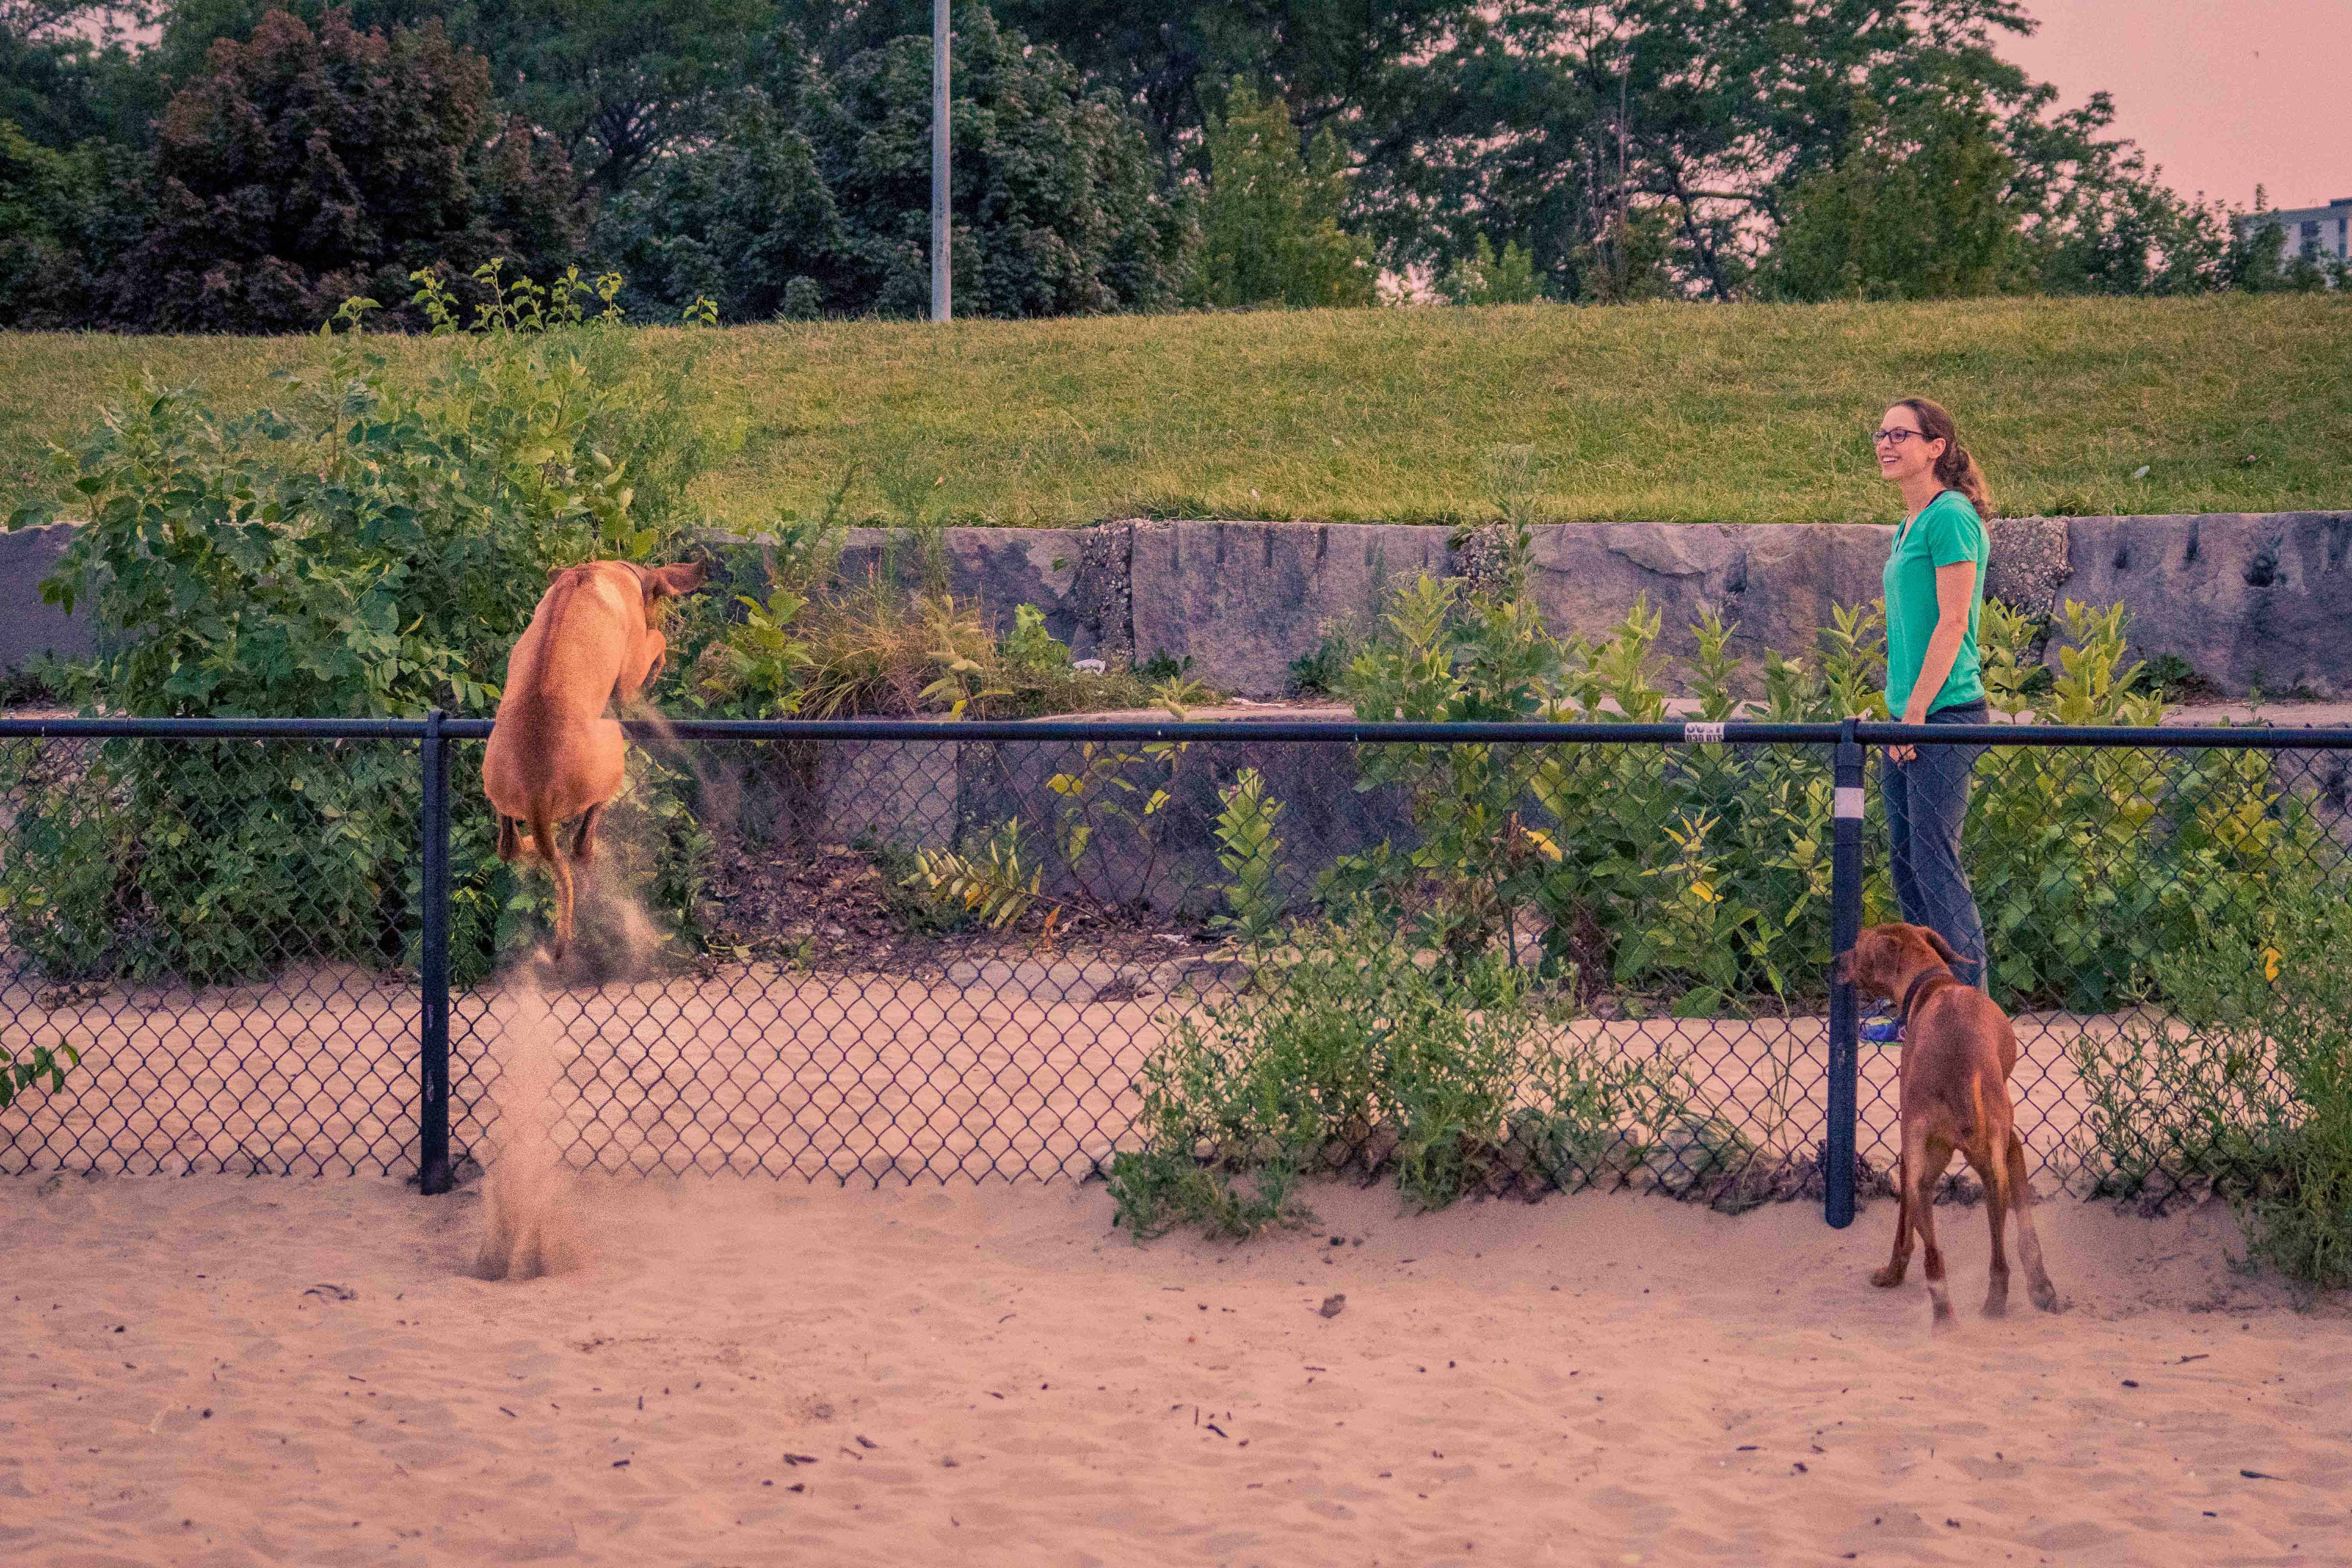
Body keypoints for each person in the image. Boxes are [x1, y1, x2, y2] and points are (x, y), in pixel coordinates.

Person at [1871, 396, 1992, 1004]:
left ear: (1936, 447)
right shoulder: (1910, 524)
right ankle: (1928, 1009)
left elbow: (1952, 624)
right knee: (1910, 872)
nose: (1887, 444)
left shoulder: (1951, 516)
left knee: (1937, 870)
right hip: (1908, 716)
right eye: (1881, 433)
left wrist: (1916, 712)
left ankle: (1970, 1013)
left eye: (1902, 434)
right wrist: (1899, 711)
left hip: (1944, 715)